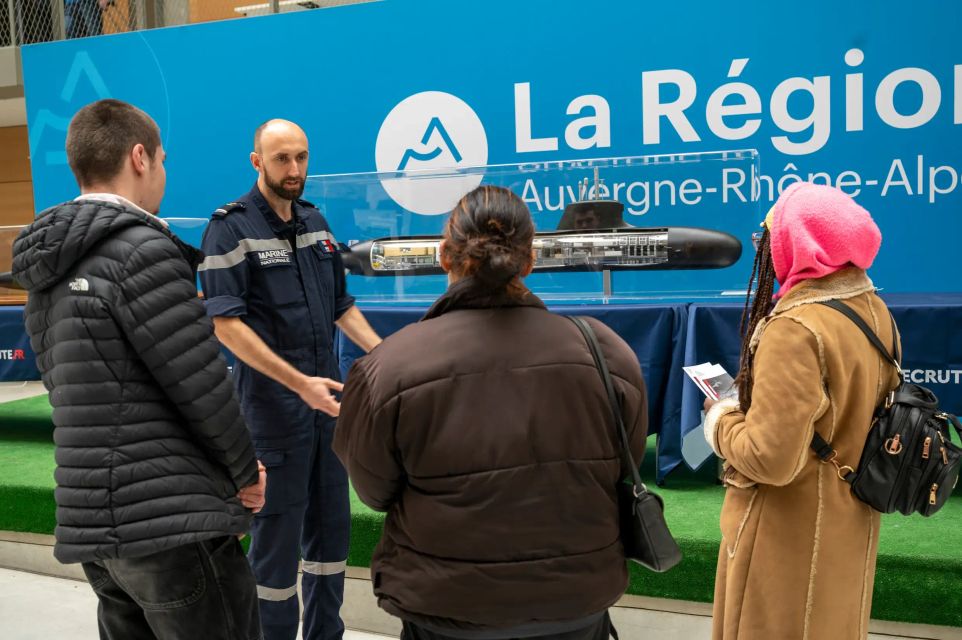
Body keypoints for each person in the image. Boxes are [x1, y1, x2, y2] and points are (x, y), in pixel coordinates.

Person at [334, 185, 648, 640]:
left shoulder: (386, 369)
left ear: (443, 256)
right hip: (576, 607)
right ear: (530, 260)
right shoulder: (604, 352)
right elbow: (626, 460)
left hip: (446, 610)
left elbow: (374, 491)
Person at [11, 98, 266, 640]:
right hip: (170, 525)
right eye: (164, 159)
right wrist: (246, 473)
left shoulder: (45, 267)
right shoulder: (142, 250)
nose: (164, 173)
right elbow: (201, 383)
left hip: (97, 530)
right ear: (140, 158)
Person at [200, 119, 382, 640]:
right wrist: (299, 382)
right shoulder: (229, 228)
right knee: (275, 552)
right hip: (272, 418)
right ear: (256, 161)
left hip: (329, 413)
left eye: (301, 157)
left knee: (331, 541)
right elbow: (225, 324)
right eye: (281, 159)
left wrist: (386, 355)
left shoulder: (316, 222)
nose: (294, 169)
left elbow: (342, 305)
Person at [703, 182, 901, 640]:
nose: (765, 247)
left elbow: (772, 459)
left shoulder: (795, 328)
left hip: (784, 541)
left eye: (769, 236)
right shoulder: (875, 312)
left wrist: (720, 420)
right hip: (849, 525)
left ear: (799, 242)